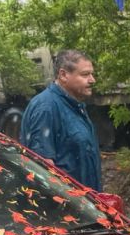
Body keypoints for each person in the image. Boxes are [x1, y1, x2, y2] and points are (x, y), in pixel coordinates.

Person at [20, 50, 103, 190]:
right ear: (63, 75)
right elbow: (42, 173)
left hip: (86, 199)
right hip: (66, 202)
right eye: (85, 74)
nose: (92, 80)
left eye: (92, 74)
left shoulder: (75, 105)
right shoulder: (46, 108)